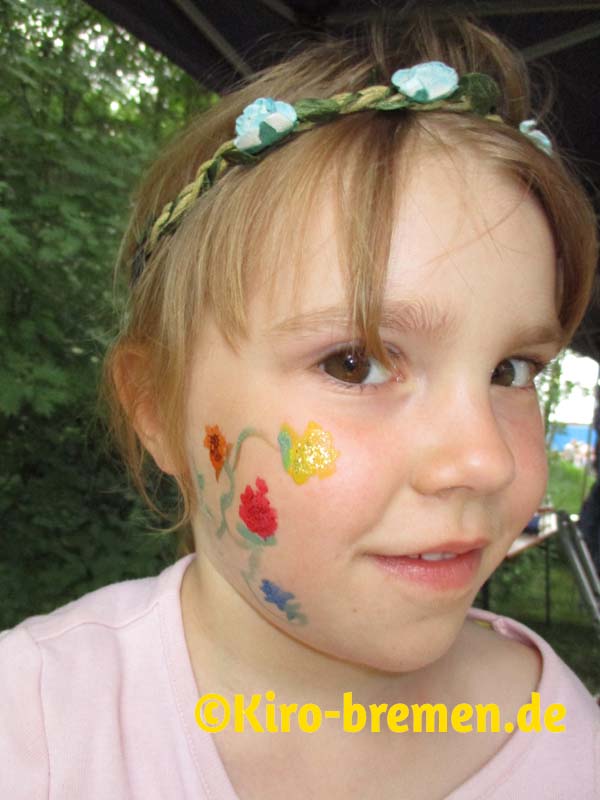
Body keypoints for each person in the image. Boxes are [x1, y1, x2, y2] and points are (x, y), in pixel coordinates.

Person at [1, 8, 599, 799]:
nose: (487, 461)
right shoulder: (34, 731)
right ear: (157, 408)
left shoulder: (570, 746)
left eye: (511, 371)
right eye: (356, 363)